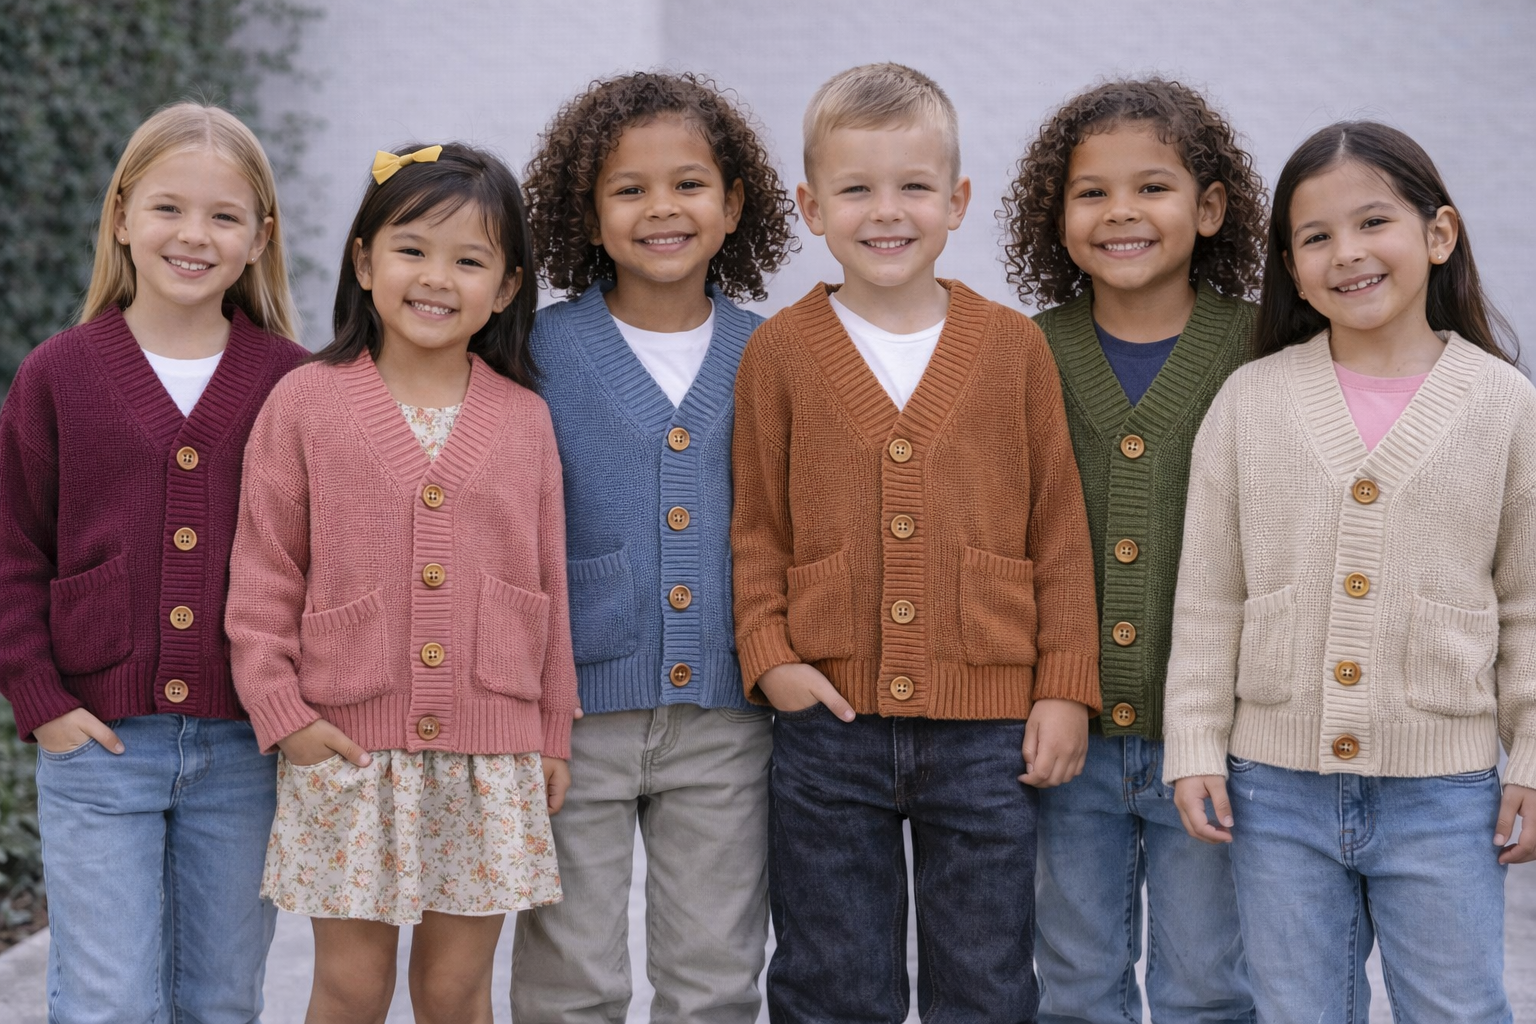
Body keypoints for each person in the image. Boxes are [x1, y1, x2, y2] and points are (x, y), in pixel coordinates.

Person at [731, 62, 1100, 1021]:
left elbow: (1058, 529)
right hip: (828, 723)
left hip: (988, 729)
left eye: (914, 188)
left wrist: (1064, 684)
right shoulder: (780, 351)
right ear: (812, 206)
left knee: (984, 974)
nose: (885, 213)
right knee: (829, 973)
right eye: (855, 190)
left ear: (957, 201)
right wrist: (770, 658)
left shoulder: (1014, 347)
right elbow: (758, 526)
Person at [1165, 121, 1536, 1024]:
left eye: (1374, 223)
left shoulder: (1502, 405)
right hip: (1273, 790)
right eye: (1316, 237)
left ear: (1437, 235)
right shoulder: (1252, 399)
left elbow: (1529, 605)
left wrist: (1530, 754)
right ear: (1292, 267)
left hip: (1444, 797)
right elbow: (1211, 596)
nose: (1348, 254)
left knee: (1457, 1008)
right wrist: (1193, 745)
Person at [226, 142, 577, 1024]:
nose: (437, 277)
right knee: (349, 986)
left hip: (488, 750)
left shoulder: (526, 418)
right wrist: (285, 716)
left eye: (470, 260)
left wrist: (551, 730)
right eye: (413, 249)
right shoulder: (305, 403)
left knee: (456, 990)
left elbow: (548, 585)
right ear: (364, 260)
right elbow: (265, 572)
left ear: (504, 288)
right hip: (345, 744)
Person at [0, 101, 305, 1023]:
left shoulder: (292, 381)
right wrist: (41, 702)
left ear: (259, 237)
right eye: (169, 207)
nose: (194, 235)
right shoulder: (59, 373)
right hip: (99, 742)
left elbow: (316, 556)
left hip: (244, 749)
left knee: (220, 1000)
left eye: (224, 215)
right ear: (124, 214)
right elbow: (14, 545)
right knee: (106, 1001)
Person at [510, 70, 796, 1024]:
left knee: (715, 973)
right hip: (575, 716)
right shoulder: (535, 354)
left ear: (733, 205)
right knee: (571, 978)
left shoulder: (776, 353)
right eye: (629, 190)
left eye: (688, 184)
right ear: (587, 217)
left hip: (726, 717)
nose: (660, 209)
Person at [1002, 78, 1266, 1023]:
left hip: (1219, 744)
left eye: (1152, 187)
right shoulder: (1023, 353)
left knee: (1207, 985)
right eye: (1090, 192)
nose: (1121, 212)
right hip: (1064, 742)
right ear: (1056, 215)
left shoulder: (1263, 349)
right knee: (1075, 984)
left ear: (1209, 207)